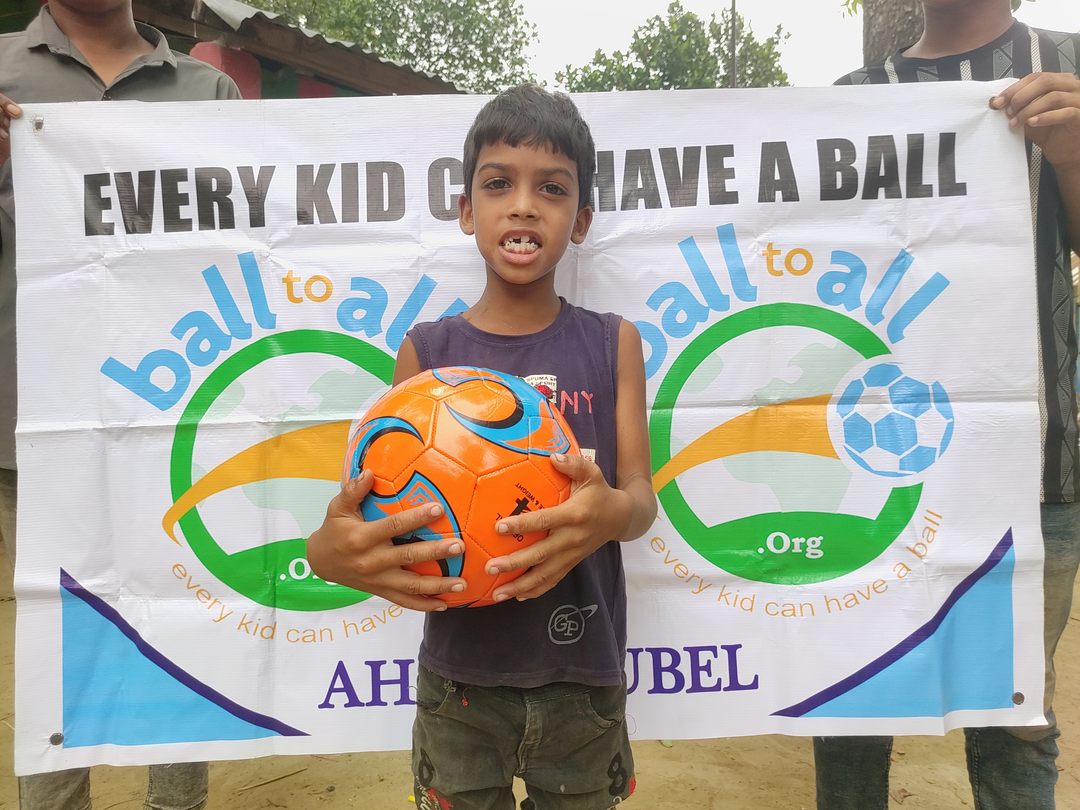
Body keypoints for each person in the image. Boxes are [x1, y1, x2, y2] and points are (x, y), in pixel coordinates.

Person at [307, 84, 657, 810]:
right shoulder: (426, 354)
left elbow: (641, 500)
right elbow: (376, 514)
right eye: (499, 184)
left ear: (580, 220)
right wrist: (331, 553)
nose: (523, 206)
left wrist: (610, 515)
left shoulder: (613, 342)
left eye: (551, 188)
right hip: (458, 685)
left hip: (583, 677)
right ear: (467, 210)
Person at [814, 2, 1080, 808]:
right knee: (852, 707)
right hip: (870, 482)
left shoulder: (1066, 64)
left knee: (1011, 721)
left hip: (1031, 475)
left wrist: (1072, 154)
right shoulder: (853, 98)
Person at [0, 2, 240, 808]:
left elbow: (253, 250)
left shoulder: (211, 95)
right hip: (34, 424)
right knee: (53, 641)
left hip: (174, 418)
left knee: (182, 624)